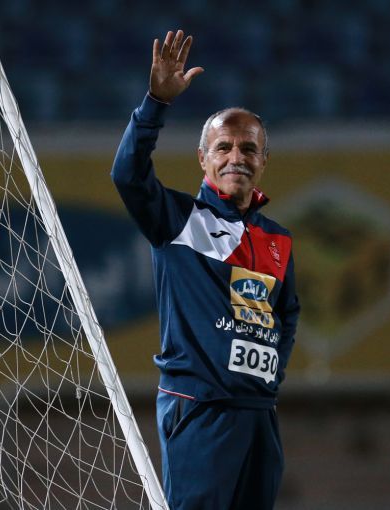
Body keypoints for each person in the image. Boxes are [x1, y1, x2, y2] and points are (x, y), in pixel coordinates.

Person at [111, 29, 300, 510]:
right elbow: (127, 175)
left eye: (248, 148)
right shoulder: (177, 220)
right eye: (224, 147)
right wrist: (155, 103)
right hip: (200, 411)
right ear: (203, 158)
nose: (237, 157)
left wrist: (269, 374)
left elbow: (288, 312)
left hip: (259, 413)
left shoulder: (278, 239)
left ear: (264, 160)